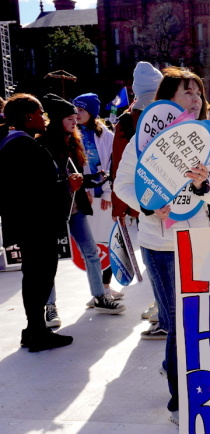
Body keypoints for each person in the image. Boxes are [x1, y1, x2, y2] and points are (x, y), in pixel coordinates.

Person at [114, 67, 210, 425]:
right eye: (186, 93)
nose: (195, 99)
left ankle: (174, 367)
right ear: (167, 101)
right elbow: (121, 185)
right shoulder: (142, 142)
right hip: (160, 244)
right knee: (178, 322)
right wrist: (147, 204)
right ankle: (181, 402)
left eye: (198, 93)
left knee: (198, 317)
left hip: (199, 239)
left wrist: (204, 185)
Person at [39, 94, 126, 324]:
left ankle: (99, 296)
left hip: (75, 208)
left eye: (75, 116)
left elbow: (79, 175)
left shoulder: (74, 140)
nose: (75, 120)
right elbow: (43, 184)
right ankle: (50, 307)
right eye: (69, 117)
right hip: (53, 211)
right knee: (49, 261)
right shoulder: (43, 144)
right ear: (58, 120)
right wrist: (70, 184)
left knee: (91, 252)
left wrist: (96, 180)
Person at [0, 94, 74, 352]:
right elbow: (39, 190)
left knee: (33, 276)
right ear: (28, 116)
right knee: (39, 277)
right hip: (36, 224)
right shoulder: (24, 146)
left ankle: (33, 330)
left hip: (25, 223)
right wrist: (68, 185)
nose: (44, 117)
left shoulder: (12, 143)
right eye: (41, 112)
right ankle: (37, 332)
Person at [111, 61, 163, 327]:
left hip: (142, 195)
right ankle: (161, 306)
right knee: (159, 252)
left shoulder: (126, 121)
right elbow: (120, 163)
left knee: (153, 251)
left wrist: (121, 205)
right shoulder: (169, 116)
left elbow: (118, 164)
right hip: (159, 193)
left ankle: (161, 306)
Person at [72, 92, 124, 303]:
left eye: (81, 109)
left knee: (108, 241)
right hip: (82, 197)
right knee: (90, 245)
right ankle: (98, 289)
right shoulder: (71, 133)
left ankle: (105, 286)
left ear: (92, 112)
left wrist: (109, 192)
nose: (77, 114)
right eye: (74, 109)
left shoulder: (106, 135)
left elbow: (114, 165)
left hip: (104, 196)